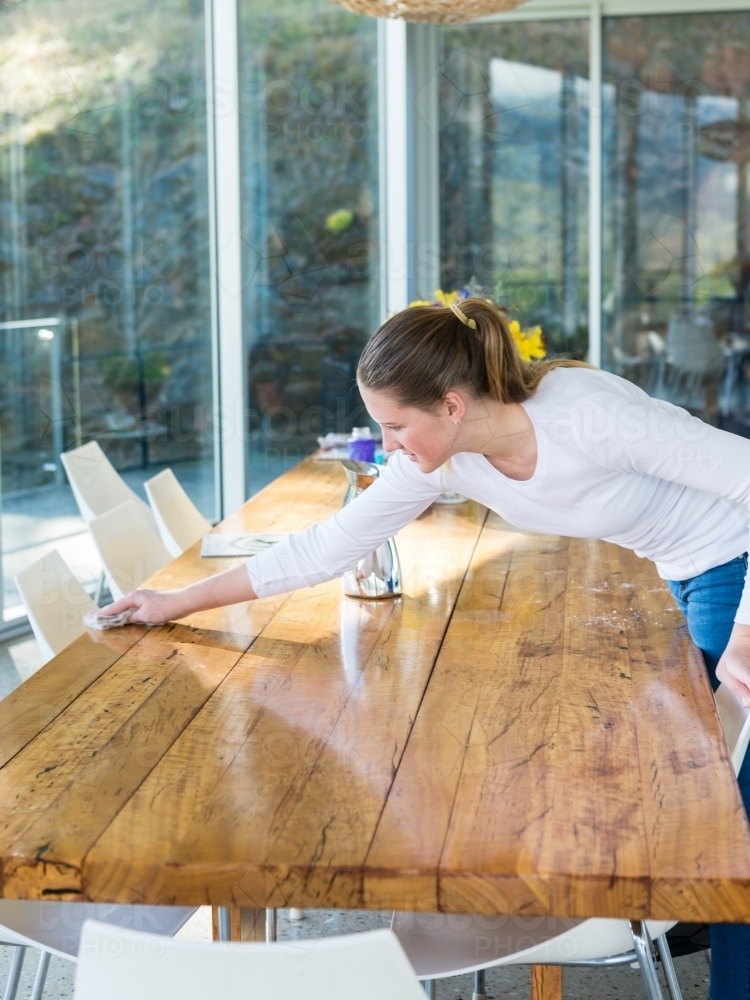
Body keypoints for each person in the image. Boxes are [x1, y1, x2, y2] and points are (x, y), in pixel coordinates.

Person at [103, 298, 750, 1000]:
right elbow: (330, 544)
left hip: (735, 557)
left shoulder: (583, 414)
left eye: (394, 425)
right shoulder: (448, 460)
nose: (388, 444)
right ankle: (691, 915)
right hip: (682, 568)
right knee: (691, 775)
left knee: (733, 814)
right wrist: (175, 602)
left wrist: (745, 629)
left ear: (449, 404)